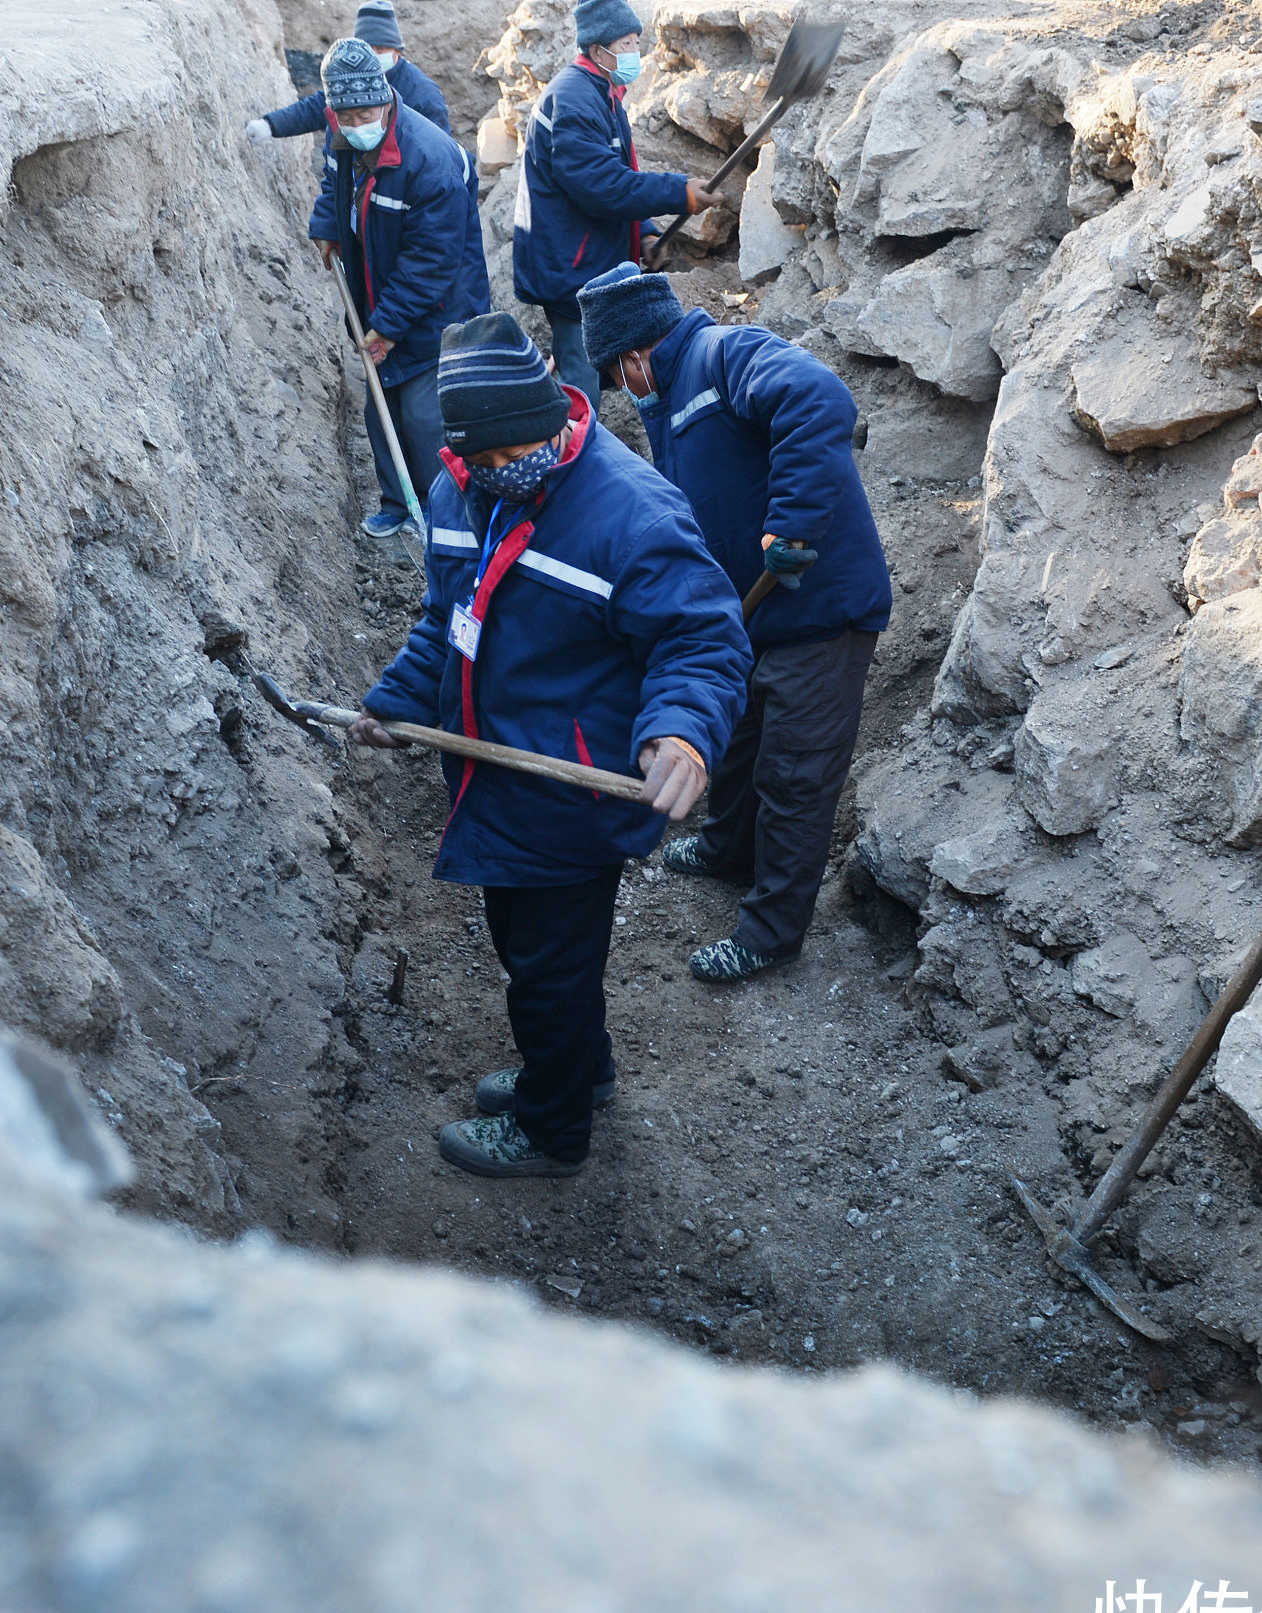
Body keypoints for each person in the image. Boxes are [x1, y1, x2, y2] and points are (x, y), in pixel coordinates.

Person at [354, 312, 751, 1178]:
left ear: (553, 416)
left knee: (546, 970)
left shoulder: (629, 513)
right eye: (484, 462)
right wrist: (394, 702)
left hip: (570, 793)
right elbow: (445, 622)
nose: (505, 473)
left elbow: (703, 641)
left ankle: (552, 1126)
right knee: (530, 948)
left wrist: (681, 732)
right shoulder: (462, 492)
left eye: (517, 454)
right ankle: (582, 1068)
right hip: (493, 774)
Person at [575, 262, 892, 984]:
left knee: (794, 774)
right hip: (751, 615)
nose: (621, 391)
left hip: (820, 612)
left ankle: (772, 931)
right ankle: (726, 845)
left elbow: (820, 399)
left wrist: (793, 523)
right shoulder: (670, 398)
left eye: (616, 374)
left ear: (633, 357)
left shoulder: (726, 356)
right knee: (741, 736)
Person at [303, 38, 493, 540]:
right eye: (347, 115)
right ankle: (397, 501)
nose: (356, 122)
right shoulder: (344, 132)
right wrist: (327, 225)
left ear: (387, 99)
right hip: (378, 292)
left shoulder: (430, 161)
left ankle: (447, 518)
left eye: (366, 111)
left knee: (426, 417)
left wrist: (385, 327)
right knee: (379, 404)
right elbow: (332, 181)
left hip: (438, 308)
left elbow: (431, 263)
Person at [511, 0, 725, 404]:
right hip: (568, 270)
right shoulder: (574, 100)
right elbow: (603, 186)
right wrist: (679, 192)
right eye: (626, 43)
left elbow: (619, 169)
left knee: (601, 361)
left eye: (636, 41)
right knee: (581, 377)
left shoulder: (603, 92)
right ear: (597, 51)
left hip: (585, 260)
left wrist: (644, 233)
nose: (634, 52)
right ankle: (576, 451)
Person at [247, 2, 452, 139]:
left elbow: (439, 150)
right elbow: (317, 107)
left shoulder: (422, 93)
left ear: (397, 50)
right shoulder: (352, 77)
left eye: (381, 50)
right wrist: (270, 125)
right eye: (368, 49)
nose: (374, 56)